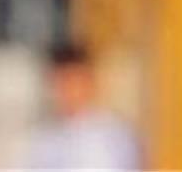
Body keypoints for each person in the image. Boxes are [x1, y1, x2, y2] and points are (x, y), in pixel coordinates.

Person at [24, 42, 142, 171]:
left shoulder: (115, 136)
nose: (67, 91)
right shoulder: (42, 138)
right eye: (60, 82)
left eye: (72, 81)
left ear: (89, 81)